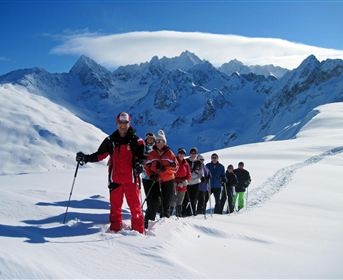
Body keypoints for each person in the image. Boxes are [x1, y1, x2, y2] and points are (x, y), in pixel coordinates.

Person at [76, 112, 145, 233]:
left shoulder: (137, 141)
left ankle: (138, 232)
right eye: (120, 123)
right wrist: (85, 158)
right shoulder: (110, 140)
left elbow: (143, 158)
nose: (123, 125)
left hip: (131, 180)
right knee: (115, 208)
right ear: (117, 123)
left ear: (129, 123)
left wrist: (140, 165)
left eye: (125, 123)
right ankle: (114, 230)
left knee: (135, 208)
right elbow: (100, 155)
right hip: (115, 180)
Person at [144, 129, 178, 228]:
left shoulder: (169, 153)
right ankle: (148, 222)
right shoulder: (152, 154)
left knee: (165, 204)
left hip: (168, 181)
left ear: (164, 142)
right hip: (156, 180)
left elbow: (175, 167)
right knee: (154, 201)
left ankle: (164, 226)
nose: (159, 143)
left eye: (161, 141)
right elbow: (147, 166)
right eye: (158, 141)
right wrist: (151, 175)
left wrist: (165, 169)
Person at [170, 148, 191, 217]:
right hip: (174, 182)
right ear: (178, 154)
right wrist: (173, 181)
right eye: (180, 153)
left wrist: (185, 181)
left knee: (180, 200)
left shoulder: (186, 164)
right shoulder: (173, 162)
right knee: (173, 199)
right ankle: (169, 214)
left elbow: (189, 175)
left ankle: (178, 214)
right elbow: (170, 171)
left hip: (183, 184)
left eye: (182, 154)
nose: (181, 155)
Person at [182, 147, 202, 216]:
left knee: (194, 199)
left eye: (194, 153)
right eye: (192, 153)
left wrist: (200, 175)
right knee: (186, 199)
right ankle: (182, 212)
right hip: (187, 183)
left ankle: (193, 212)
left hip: (196, 182)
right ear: (190, 153)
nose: (193, 154)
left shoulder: (199, 162)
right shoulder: (186, 161)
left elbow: (201, 172)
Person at [141, 132, 157, 216]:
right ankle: (149, 210)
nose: (149, 139)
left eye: (151, 138)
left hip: (154, 176)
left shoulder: (156, 148)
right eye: (148, 138)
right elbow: (139, 158)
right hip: (145, 176)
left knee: (154, 195)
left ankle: (153, 210)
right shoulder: (143, 148)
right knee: (148, 194)